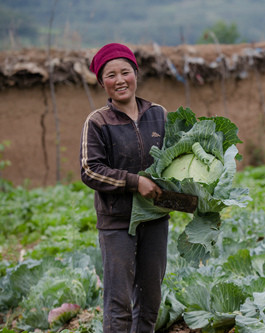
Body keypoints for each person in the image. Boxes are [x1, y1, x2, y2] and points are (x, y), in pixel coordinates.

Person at [80, 43, 168, 333]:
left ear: (136, 74)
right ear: (101, 82)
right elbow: (91, 170)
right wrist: (135, 182)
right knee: (118, 304)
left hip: (154, 219)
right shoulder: (98, 122)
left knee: (150, 299)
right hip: (117, 223)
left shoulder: (158, 114)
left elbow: (174, 162)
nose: (120, 80)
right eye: (110, 75)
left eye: (125, 72)